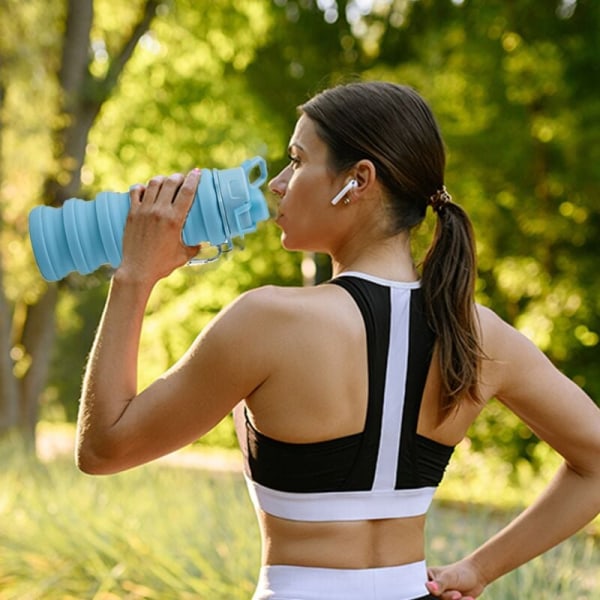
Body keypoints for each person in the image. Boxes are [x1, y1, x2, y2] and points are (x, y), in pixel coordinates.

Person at [75, 81, 600, 600]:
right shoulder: (481, 333)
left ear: (357, 181)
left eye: (298, 160)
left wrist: (134, 276)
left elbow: (103, 448)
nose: (279, 183)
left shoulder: (267, 321)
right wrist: (479, 569)